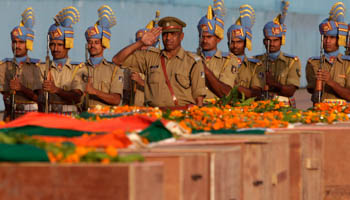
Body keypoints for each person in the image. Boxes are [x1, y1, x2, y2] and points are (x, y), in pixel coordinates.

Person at [113, 16, 206, 109]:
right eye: (165, 34)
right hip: (154, 115)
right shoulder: (150, 57)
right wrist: (140, 43)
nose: (168, 38)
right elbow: (117, 60)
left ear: (181, 36)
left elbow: (199, 100)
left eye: (173, 34)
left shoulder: (192, 62)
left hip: (180, 115)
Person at [254, 0, 301, 107]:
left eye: (276, 40)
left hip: (284, 107)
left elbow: (291, 91)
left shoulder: (291, 62)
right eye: (269, 40)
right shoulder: (256, 61)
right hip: (261, 106)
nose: (272, 44)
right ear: (264, 42)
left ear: (281, 41)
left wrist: (273, 83)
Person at [38, 6, 83, 114]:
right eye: (52, 44)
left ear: (68, 45)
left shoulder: (78, 68)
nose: (55, 49)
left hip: (70, 118)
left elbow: (77, 97)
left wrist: (56, 90)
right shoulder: (41, 67)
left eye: (60, 45)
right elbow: (37, 97)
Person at [1, 7, 42, 121]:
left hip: (32, 117)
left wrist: (21, 88)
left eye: (21, 42)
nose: (17, 46)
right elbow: (5, 96)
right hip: (12, 116)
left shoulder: (37, 67)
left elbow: (40, 98)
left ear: (28, 44)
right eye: (14, 42)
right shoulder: (4, 66)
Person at [306, 2, 350, 103]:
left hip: (342, 114)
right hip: (320, 111)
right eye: (325, 37)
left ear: (339, 39)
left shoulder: (347, 64)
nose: (327, 41)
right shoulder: (313, 63)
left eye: (332, 37)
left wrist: (330, 82)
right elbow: (313, 95)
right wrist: (318, 85)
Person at [81, 5, 123, 110]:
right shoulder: (80, 69)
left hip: (105, 118)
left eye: (96, 42)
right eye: (90, 42)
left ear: (104, 45)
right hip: (83, 117)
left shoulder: (114, 70)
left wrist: (94, 91)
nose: (92, 45)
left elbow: (116, 100)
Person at [196, 0, 239, 101]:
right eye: (202, 37)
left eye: (209, 37)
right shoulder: (191, 58)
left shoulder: (228, 60)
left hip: (217, 108)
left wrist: (206, 71)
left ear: (218, 39)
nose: (205, 40)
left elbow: (226, 93)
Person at [123, 13, 161, 106]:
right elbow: (126, 93)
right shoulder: (132, 62)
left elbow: (162, 90)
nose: (141, 47)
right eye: (139, 42)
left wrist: (141, 82)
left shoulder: (159, 60)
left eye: (144, 43)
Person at [226, 4, 263, 99]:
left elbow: (256, 94)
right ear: (227, 44)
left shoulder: (254, 66)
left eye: (239, 42)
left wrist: (235, 86)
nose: (235, 46)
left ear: (246, 43)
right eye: (232, 42)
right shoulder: (222, 63)